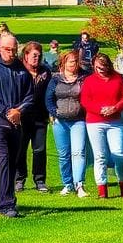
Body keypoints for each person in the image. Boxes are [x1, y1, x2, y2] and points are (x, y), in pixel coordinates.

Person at [0, 33, 35, 218]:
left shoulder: (22, 70)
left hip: (16, 124)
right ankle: (6, 204)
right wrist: (7, 111)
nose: (11, 53)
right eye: (7, 49)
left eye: (13, 50)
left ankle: (3, 201)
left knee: (12, 162)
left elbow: (30, 96)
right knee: (3, 160)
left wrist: (18, 111)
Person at [80, 53, 123, 199]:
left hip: (115, 122)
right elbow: (85, 101)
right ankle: (102, 189)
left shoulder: (118, 79)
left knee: (119, 154)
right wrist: (100, 110)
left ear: (108, 65)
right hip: (95, 122)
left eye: (103, 67)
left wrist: (115, 108)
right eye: (97, 67)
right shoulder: (89, 81)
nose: (101, 70)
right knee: (100, 156)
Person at [46, 50, 89, 197]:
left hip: (79, 120)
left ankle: (80, 185)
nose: (74, 64)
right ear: (64, 63)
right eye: (71, 62)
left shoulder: (84, 77)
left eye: (76, 62)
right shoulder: (56, 79)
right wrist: (54, 113)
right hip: (60, 121)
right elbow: (48, 98)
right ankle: (67, 184)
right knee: (63, 154)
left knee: (78, 152)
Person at [15, 41, 53, 194]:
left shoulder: (46, 72)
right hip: (22, 117)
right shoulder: (18, 71)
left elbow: (50, 94)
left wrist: (51, 112)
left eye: (39, 55)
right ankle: (19, 180)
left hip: (40, 117)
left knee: (40, 150)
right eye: (34, 55)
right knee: (20, 149)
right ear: (26, 55)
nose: (36, 58)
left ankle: (40, 180)